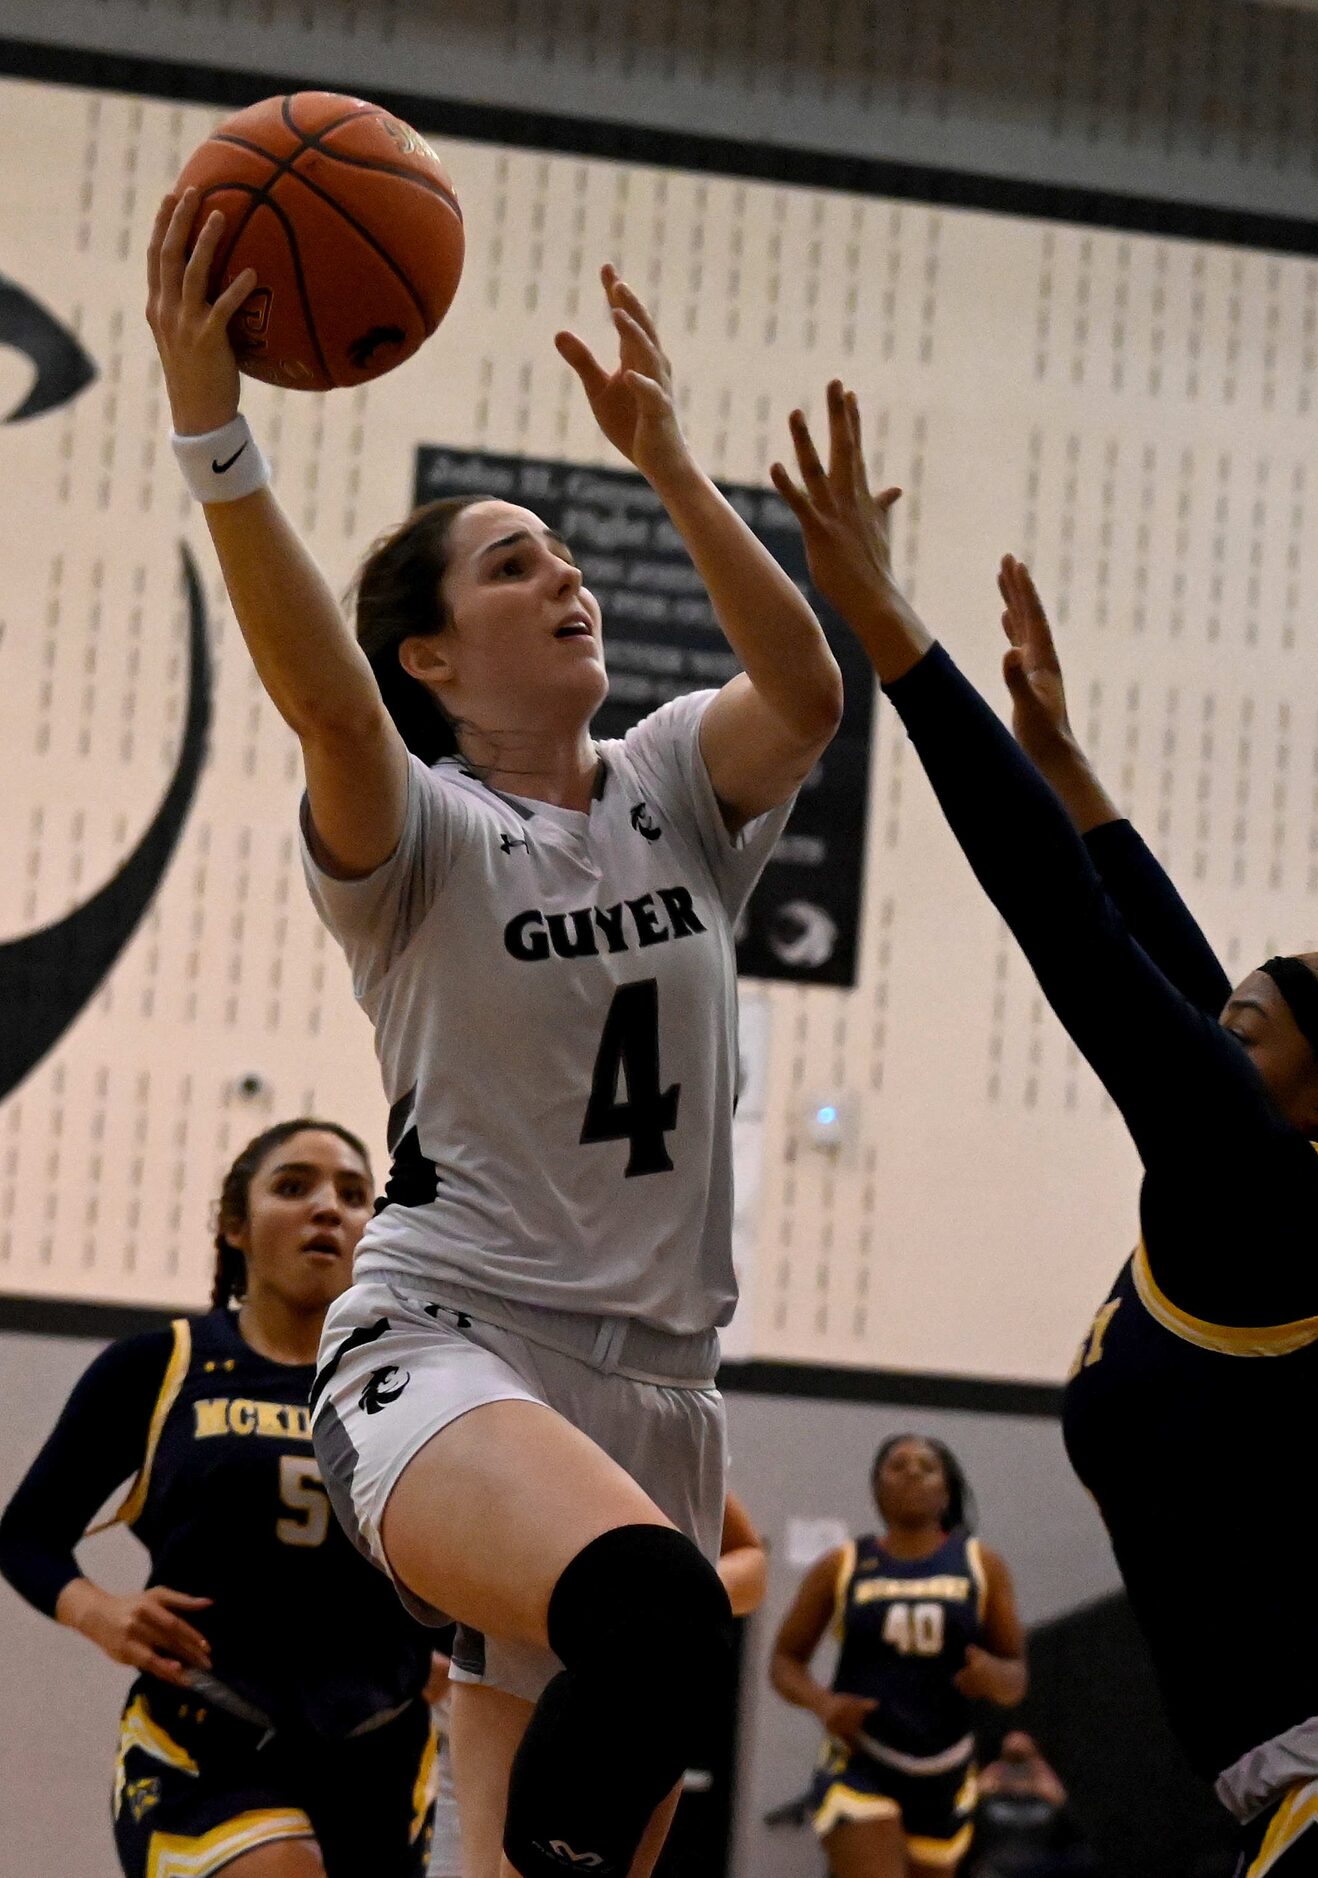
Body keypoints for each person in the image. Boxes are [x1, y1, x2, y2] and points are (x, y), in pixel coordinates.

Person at [768, 382, 1318, 1874]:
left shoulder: (1269, 1200)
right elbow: (1176, 967)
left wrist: (890, 632)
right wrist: (1072, 769)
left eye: (1243, 1037)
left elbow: (1076, 937)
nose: (1210, 1038)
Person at [145, 184, 839, 1878]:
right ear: (435, 653)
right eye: (513, 563)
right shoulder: (423, 838)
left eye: (567, 549)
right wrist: (214, 430)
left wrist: (674, 462)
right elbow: (321, 693)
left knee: (523, 1845)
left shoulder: (676, 780)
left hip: (666, 1389)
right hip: (452, 1344)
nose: (566, 575)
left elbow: (810, 692)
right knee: (661, 1618)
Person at [0, 1119, 440, 1877]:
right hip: (207, 1738)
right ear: (235, 1224)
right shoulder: (159, 1365)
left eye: (354, 1194)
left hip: (381, 1747)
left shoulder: (419, 1382)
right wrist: (96, 1611)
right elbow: (26, 1534)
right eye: (294, 1186)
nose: (328, 1208)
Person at [433, 1488, 769, 1878]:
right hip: (510, 1677)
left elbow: (751, 1561)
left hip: (636, 1706)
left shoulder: (687, 1438)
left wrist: (674, 1602)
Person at [769, 1433, 1026, 1876]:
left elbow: (1015, 1679)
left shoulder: (982, 1565)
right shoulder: (843, 1564)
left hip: (945, 1768)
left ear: (946, 1492)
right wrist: (823, 1702)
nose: (911, 1471)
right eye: (897, 1465)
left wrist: (992, 1676)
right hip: (862, 1757)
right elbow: (785, 1660)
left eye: (926, 1467)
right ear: (876, 1487)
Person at [969, 1732, 1099, 1878]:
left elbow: (1079, 1835)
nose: (1017, 1770)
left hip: (1040, 1867)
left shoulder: (1045, 1796)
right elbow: (964, 1828)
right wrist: (977, 1793)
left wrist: (1058, 1797)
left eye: (1024, 1760)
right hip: (997, 1867)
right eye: (1011, 1759)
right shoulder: (990, 1796)